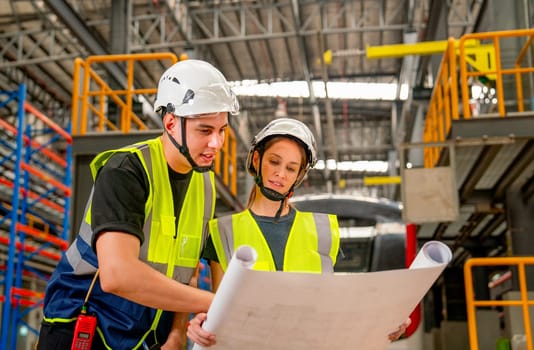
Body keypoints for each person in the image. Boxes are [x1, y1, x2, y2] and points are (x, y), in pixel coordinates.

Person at [36, 59, 239, 350]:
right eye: (205, 131)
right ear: (171, 123)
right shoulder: (126, 171)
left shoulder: (203, 184)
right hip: (86, 331)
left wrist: (177, 333)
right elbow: (118, 275)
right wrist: (218, 303)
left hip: (143, 339)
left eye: (222, 130)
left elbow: (187, 271)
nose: (217, 143)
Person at [186, 118, 411, 347]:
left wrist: (383, 320)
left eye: (291, 168)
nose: (281, 174)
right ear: (256, 159)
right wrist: (200, 324)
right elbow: (219, 309)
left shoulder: (322, 230)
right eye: (274, 162)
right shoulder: (223, 231)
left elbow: (332, 307)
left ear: (299, 176)